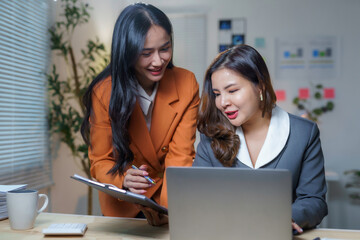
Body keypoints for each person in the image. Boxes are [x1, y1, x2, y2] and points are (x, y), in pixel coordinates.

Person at [81, 3, 199, 225]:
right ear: (127, 52)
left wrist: (167, 211)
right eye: (146, 53)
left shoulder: (186, 84)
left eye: (165, 48)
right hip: (122, 206)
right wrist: (123, 179)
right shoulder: (104, 92)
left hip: (167, 198)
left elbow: (180, 158)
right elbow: (100, 161)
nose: (158, 61)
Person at [193, 44, 327, 233]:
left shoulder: (303, 133)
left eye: (232, 91)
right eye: (217, 94)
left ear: (260, 86)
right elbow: (198, 199)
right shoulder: (211, 136)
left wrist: (284, 219)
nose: (223, 102)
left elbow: (314, 200)